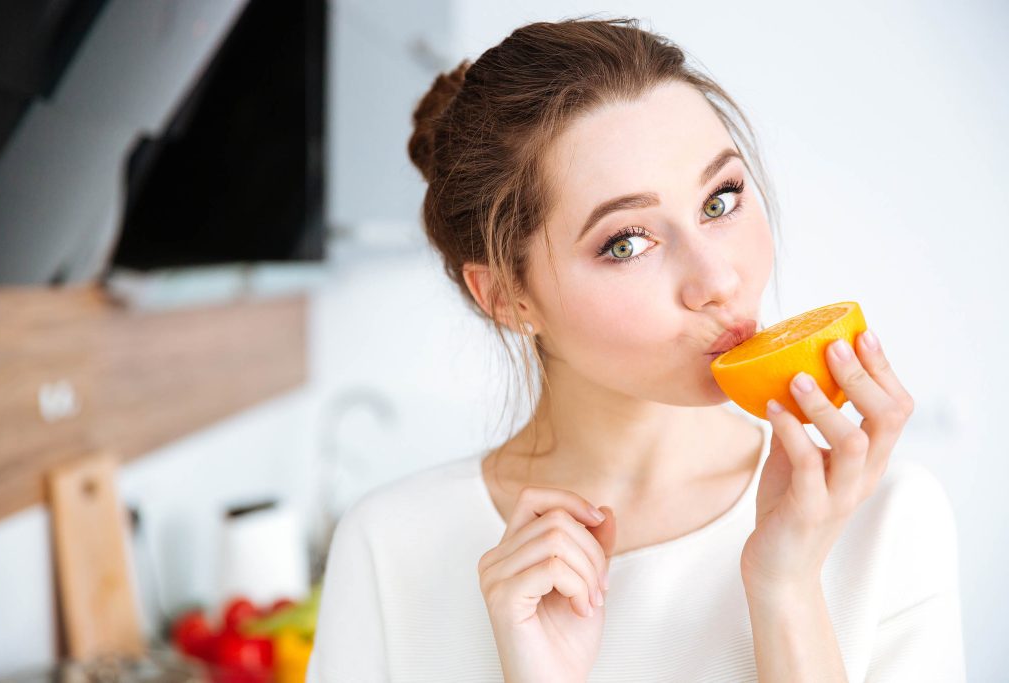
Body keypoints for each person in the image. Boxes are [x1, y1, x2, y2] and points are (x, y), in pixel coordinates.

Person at [306, 16, 966, 682]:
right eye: (626, 242)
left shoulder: (883, 518)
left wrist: (788, 594)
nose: (717, 280)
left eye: (721, 199)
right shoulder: (389, 548)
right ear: (507, 296)